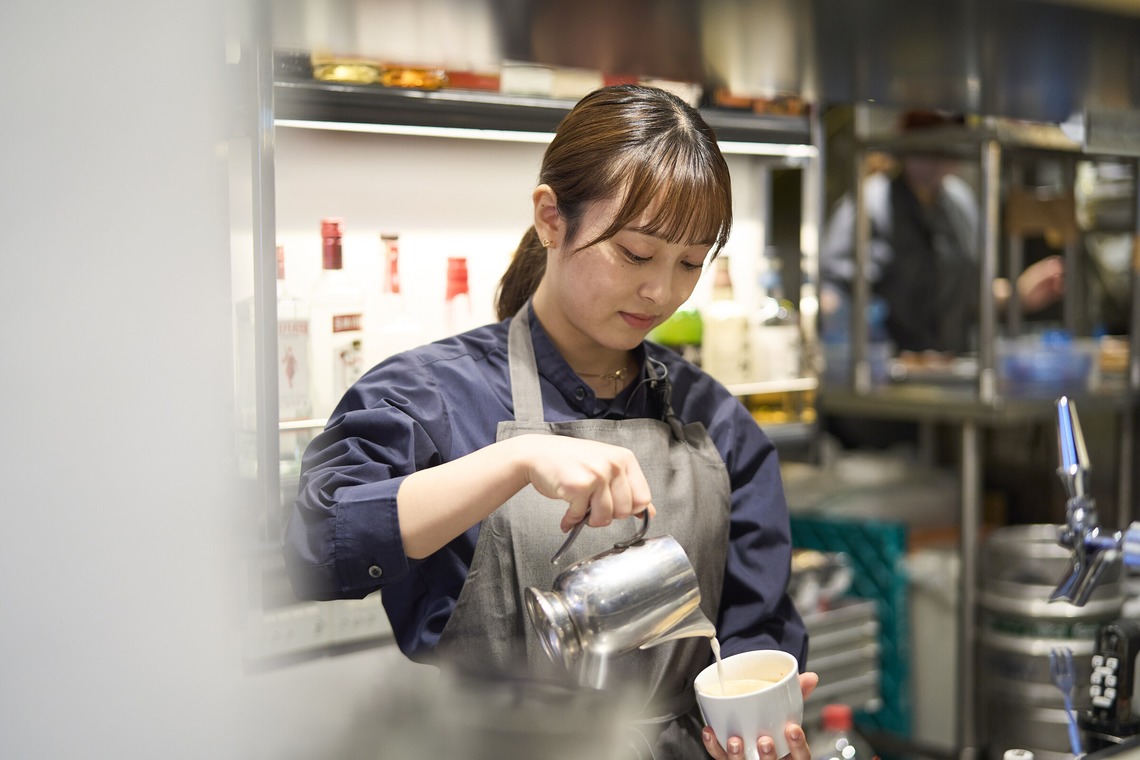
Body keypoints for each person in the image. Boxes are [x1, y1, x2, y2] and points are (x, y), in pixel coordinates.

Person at [283, 84, 815, 760]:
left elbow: (757, 629)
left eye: (690, 263)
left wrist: (761, 720)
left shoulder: (719, 424)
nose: (662, 292)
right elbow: (319, 544)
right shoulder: (430, 397)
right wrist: (512, 462)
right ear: (551, 218)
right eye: (637, 253)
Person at [819, 110, 1065, 357]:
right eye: (934, 138)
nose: (941, 152)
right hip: (887, 375)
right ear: (907, 142)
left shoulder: (960, 204)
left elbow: (968, 294)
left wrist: (1017, 295)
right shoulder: (869, 205)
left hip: (949, 367)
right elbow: (834, 294)